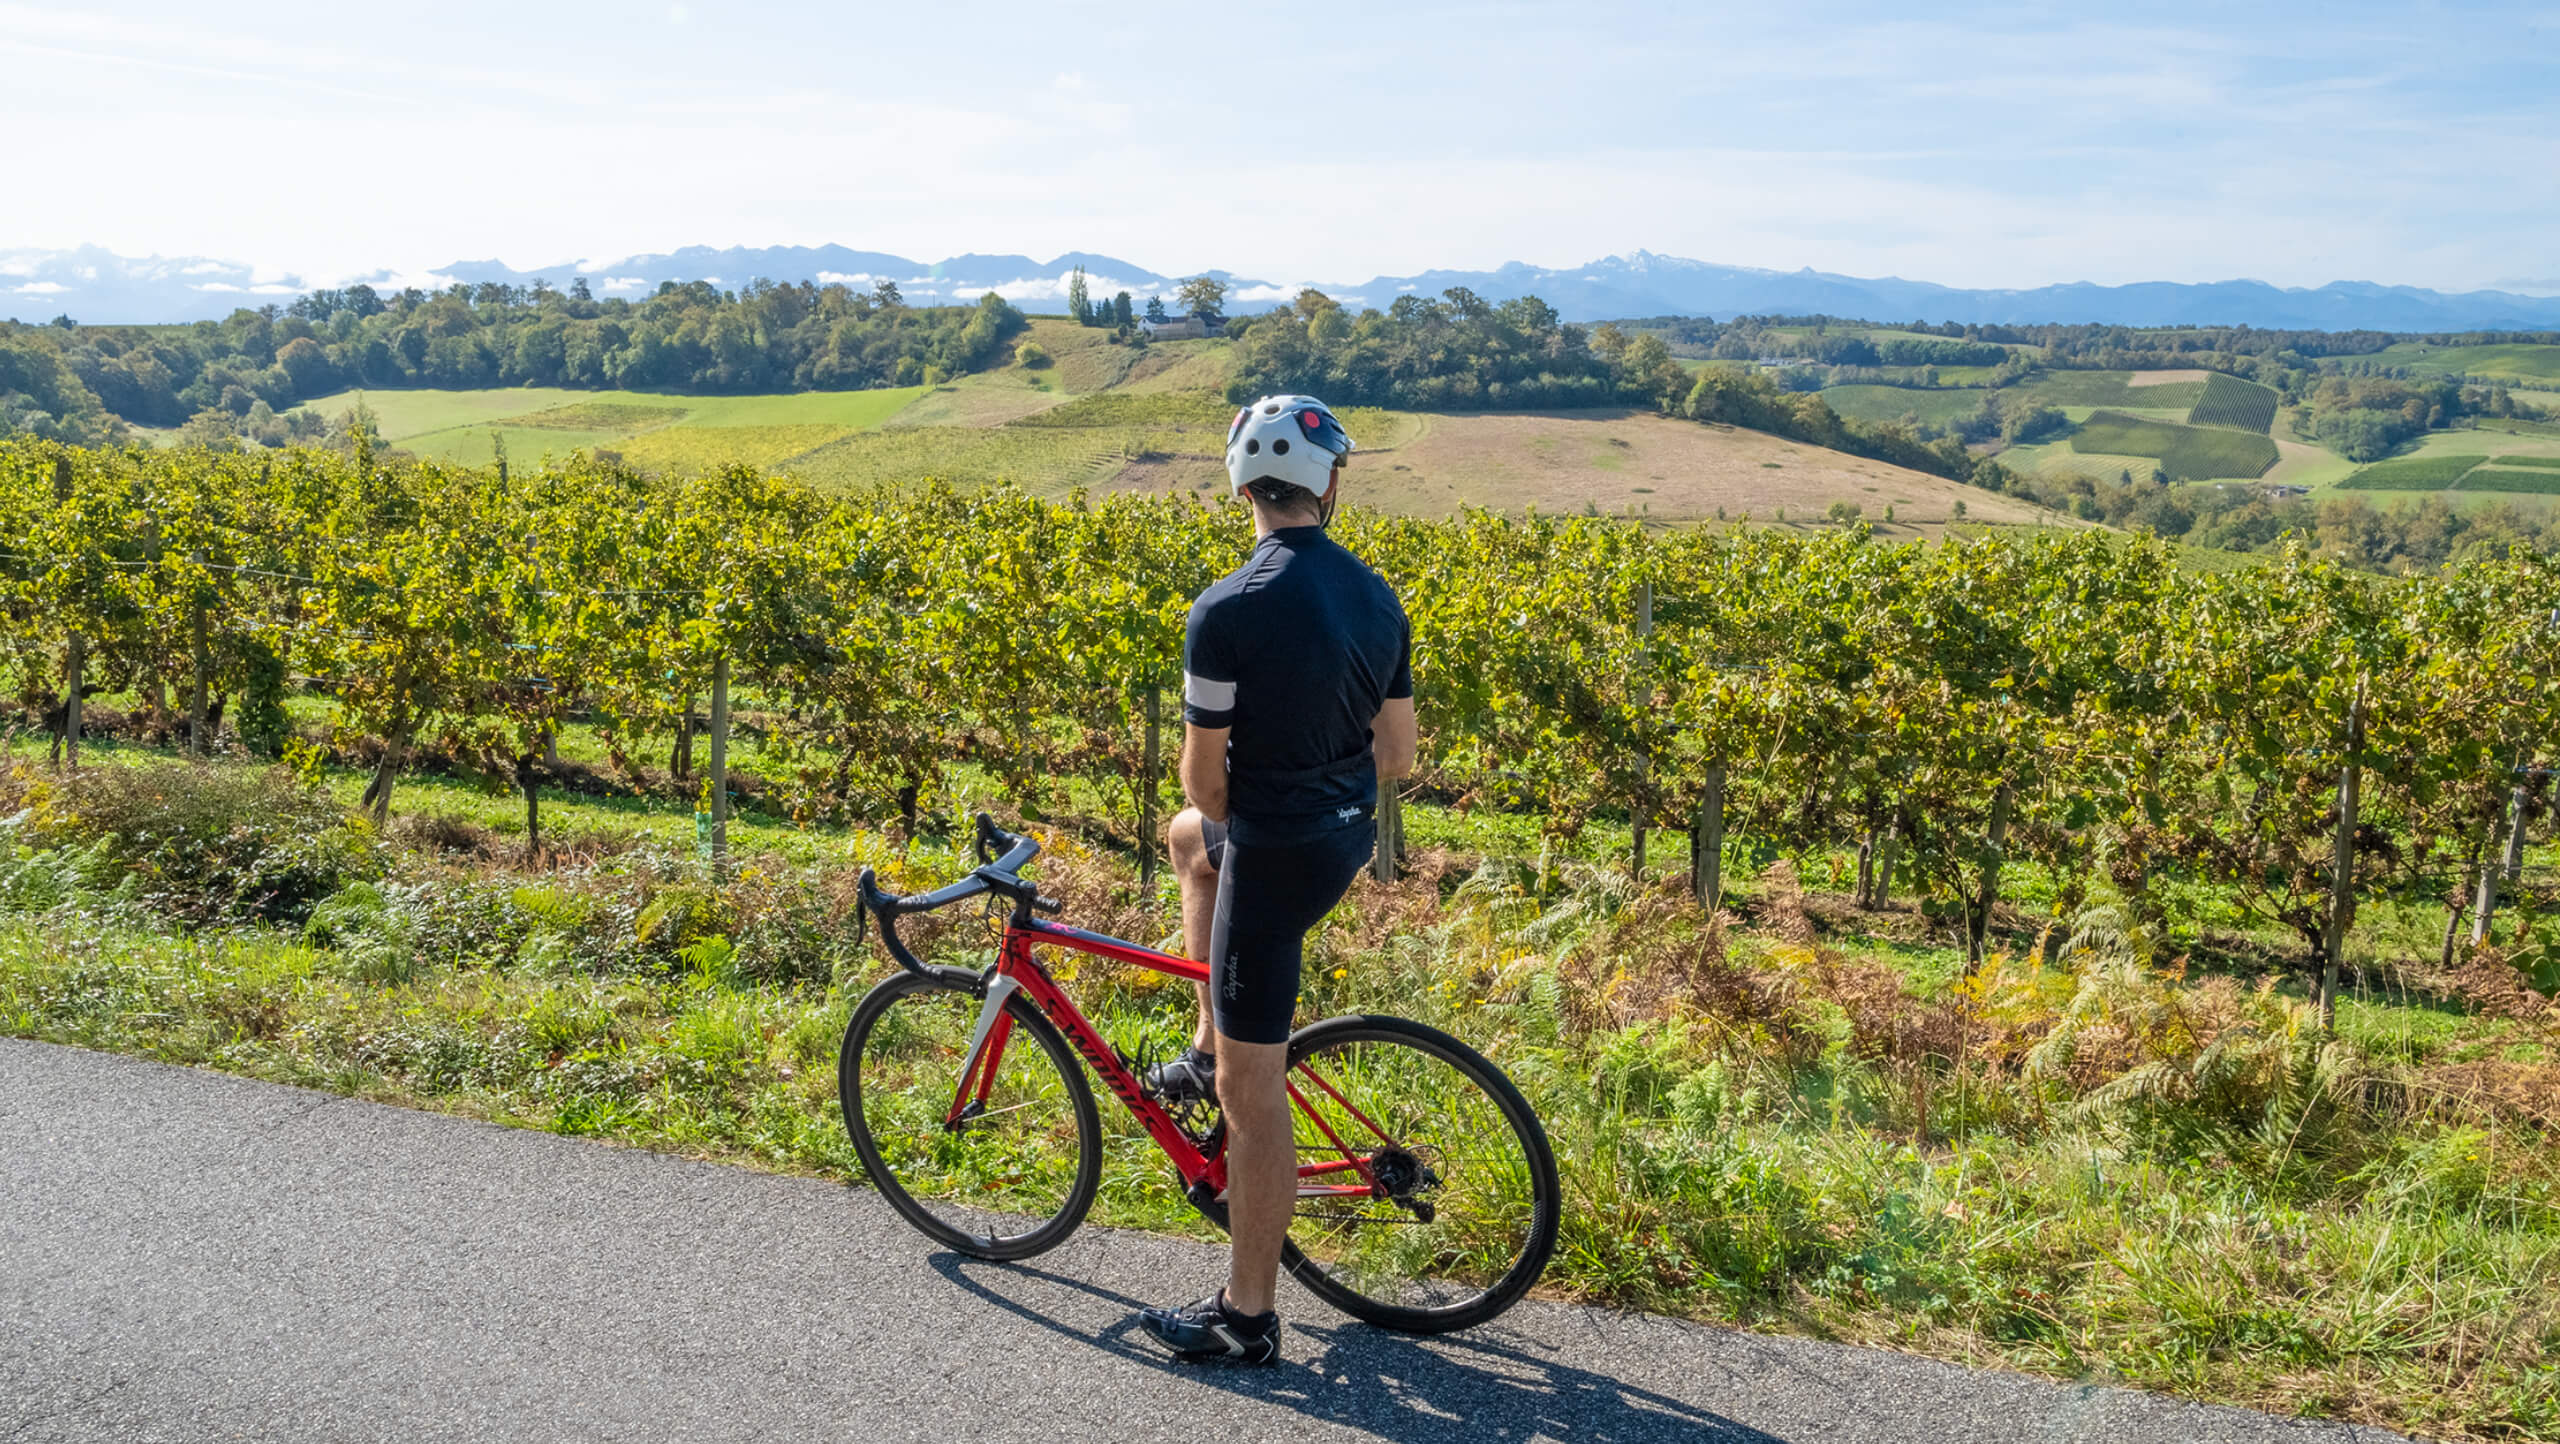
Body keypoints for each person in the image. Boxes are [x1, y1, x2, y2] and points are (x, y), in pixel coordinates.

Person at [1135, 395, 1416, 1365]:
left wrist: (1263, 798)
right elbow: (1399, 754)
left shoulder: (1225, 611)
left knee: (1253, 1100)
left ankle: (1245, 1315)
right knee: (1186, 841)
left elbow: (1205, 777)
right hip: (1340, 838)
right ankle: (1204, 1041)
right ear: (1328, 484)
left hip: (1274, 854)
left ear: (1241, 487)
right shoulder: (1380, 598)